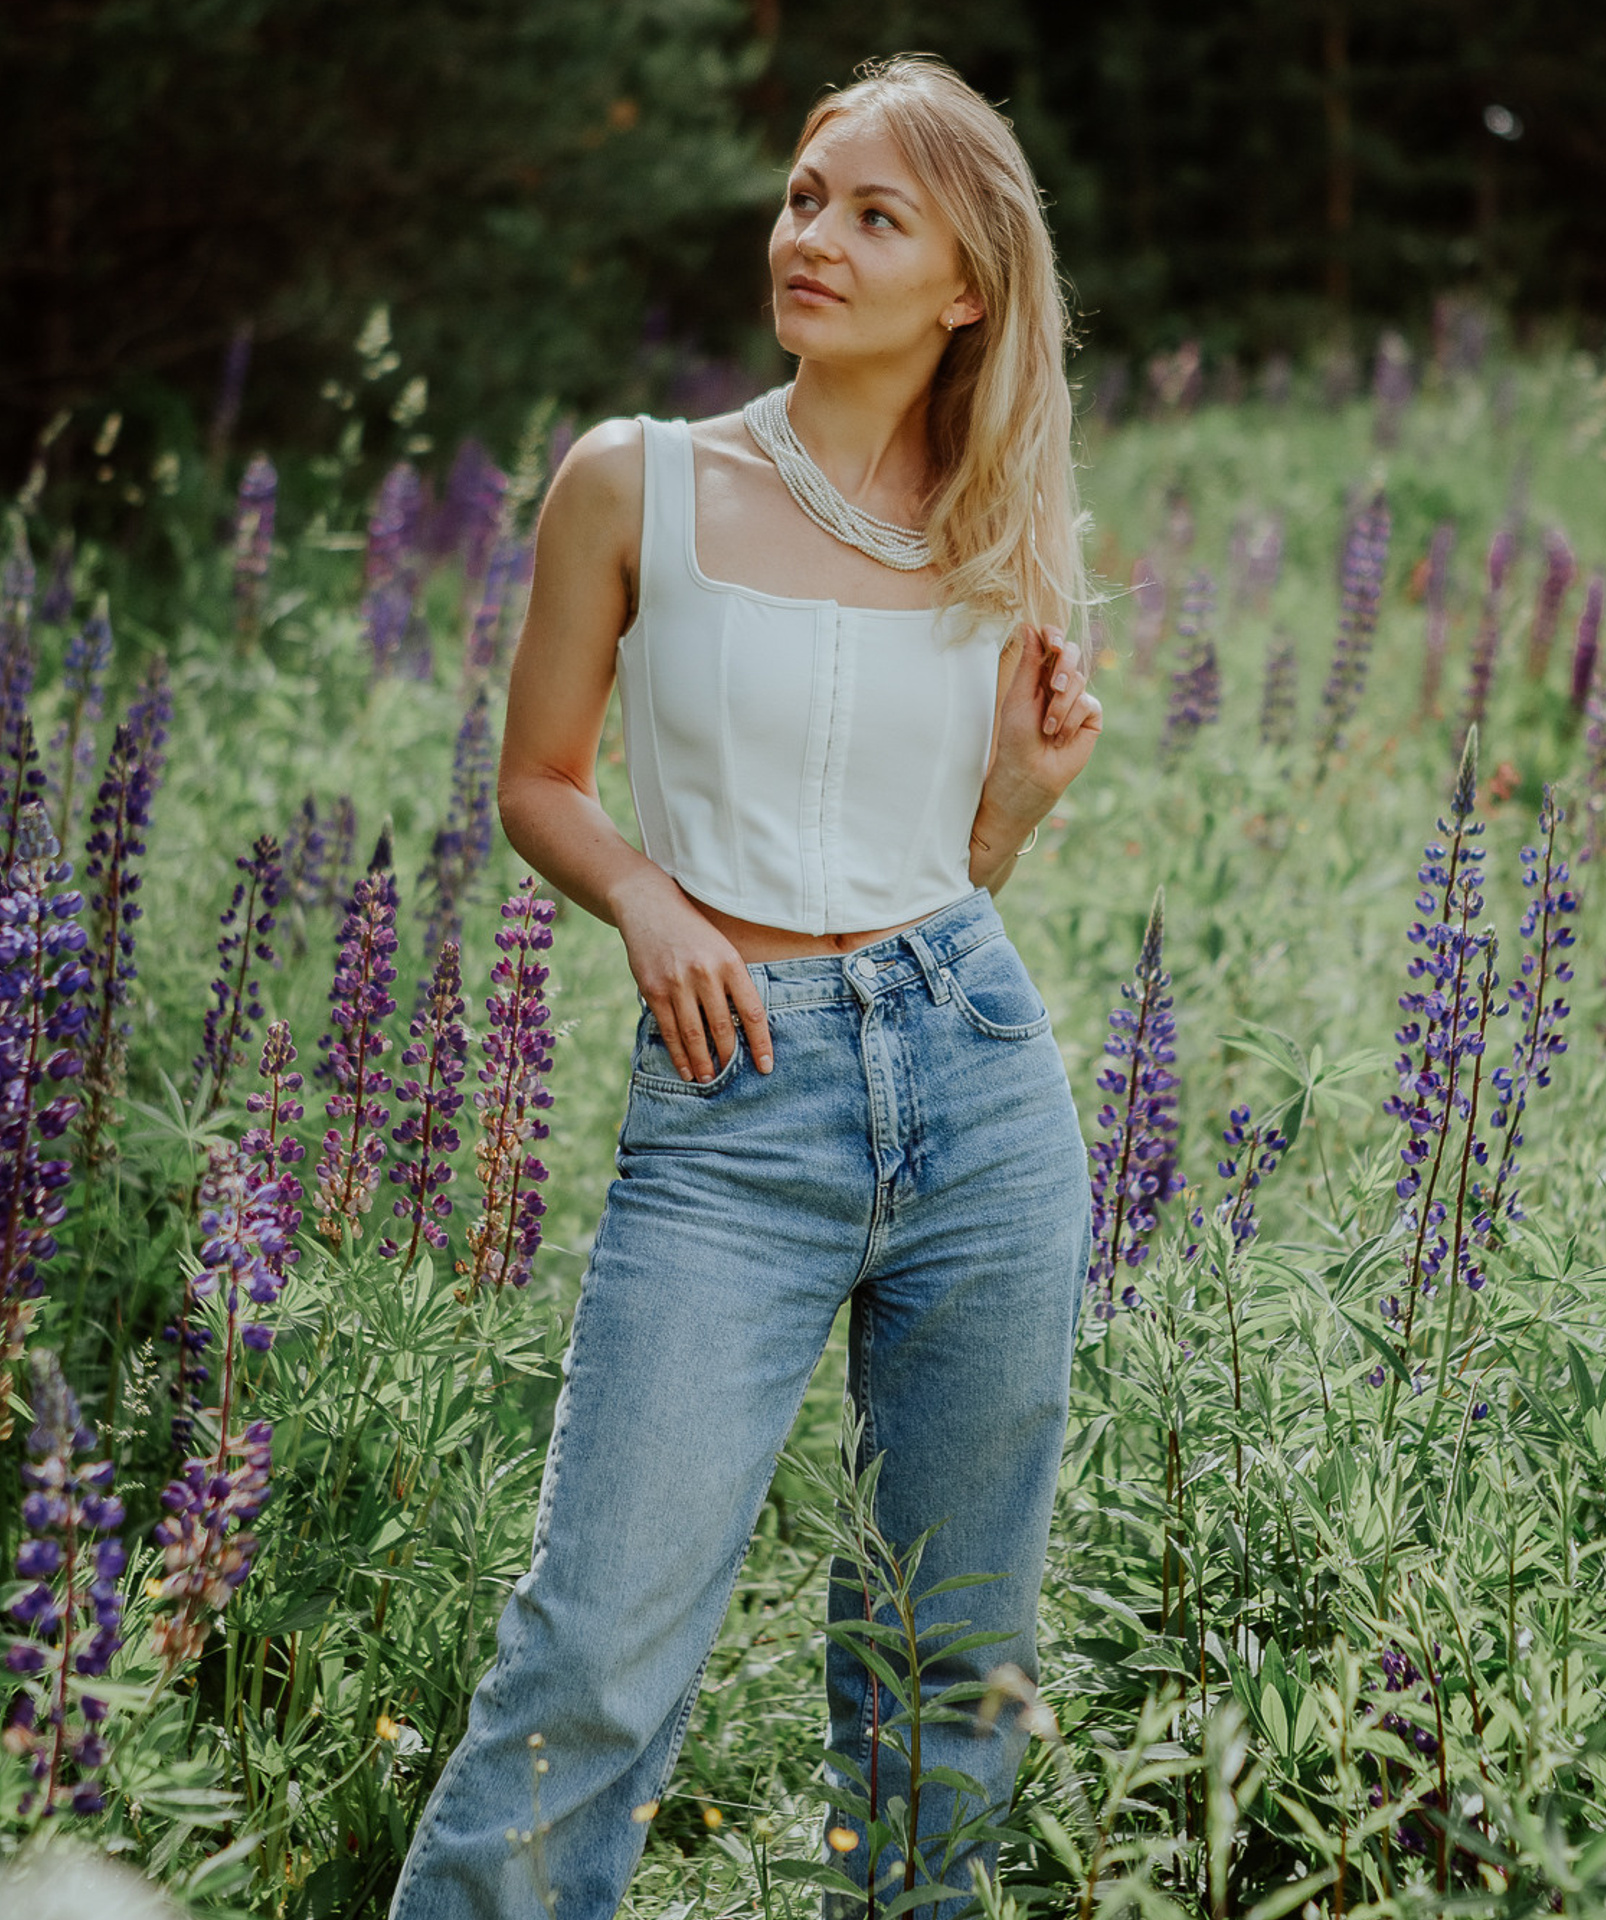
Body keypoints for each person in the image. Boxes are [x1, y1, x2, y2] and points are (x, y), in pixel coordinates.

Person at [389, 51, 1104, 1920]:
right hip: (734, 1109)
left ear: (966, 286)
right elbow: (537, 776)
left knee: (951, 1667)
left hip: (978, 1083)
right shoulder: (640, 482)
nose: (816, 236)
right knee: (591, 1664)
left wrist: (1015, 804)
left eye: (877, 213)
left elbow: (939, 873)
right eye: (806, 195)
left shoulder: (996, 529)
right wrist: (645, 896)